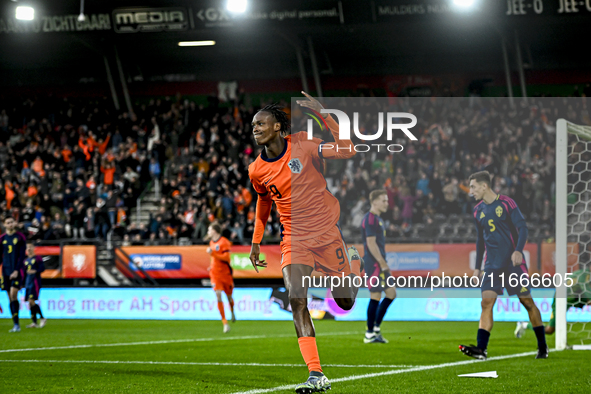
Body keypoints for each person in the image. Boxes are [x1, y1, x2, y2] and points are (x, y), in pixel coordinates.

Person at [248, 92, 363, 393]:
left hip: (326, 234)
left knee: (345, 301)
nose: (255, 128)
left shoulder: (303, 144)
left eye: (261, 123)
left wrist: (324, 113)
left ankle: (354, 263)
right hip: (294, 238)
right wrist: (256, 241)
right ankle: (316, 373)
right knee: (297, 299)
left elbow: (347, 149)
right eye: (253, 125)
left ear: (277, 127)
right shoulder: (256, 170)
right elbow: (263, 204)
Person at [459, 171, 548, 360]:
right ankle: (481, 350)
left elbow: (522, 227)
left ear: (484, 186)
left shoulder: (507, 203)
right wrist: (477, 267)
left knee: (527, 302)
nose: (471, 191)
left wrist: (518, 250)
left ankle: (542, 346)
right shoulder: (477, 211)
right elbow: (480, 241)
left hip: (512, 264)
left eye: (473, 187)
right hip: (491, 265)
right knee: (486, 303)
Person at [515, 264, 591, 338]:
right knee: (549, 330)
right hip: (560, 300)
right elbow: (588, 294)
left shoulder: (587, 275)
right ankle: (524, 324)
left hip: (575, 299)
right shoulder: (584, 275)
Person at [362, 189, 396, 344]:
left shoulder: (378, 219)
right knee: (375, 295)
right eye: (384, 200)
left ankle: (375, 329)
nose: (387, 203)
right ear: (374, 201)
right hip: (374, 263)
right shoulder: (369, 219)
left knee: (391, 294)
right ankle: (369, 333)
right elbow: (371, 243)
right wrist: (382, 262)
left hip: (379, 262)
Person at [206, 223, 235, 333]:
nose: (208, 231)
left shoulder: (224, 242)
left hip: (225, 274)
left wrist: (213, 253)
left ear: (215, 231)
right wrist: (211, 266)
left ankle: (232, 310)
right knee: (218, 295)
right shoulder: (211, 242)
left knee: (229, 297)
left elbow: (227, 258)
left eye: (209, 229)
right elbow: (214, 259)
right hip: (215, 274)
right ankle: (225, 323)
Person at [0, 216, 27, 332]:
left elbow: (22, 256)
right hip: (5, 270)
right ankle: (16, 323)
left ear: (14, 223)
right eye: (8, 222)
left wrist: (16, 270)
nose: (10, 224)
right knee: (9, 298)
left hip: (16, 270)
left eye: (12, 222)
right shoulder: (2, 238)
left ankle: (16, 324)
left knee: (13, 293)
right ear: (5, 225)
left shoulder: (20, 237)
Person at [24, 242, 46, 328]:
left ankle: (42, 317)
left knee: (31, 300)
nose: (28, 249)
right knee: (30, 303)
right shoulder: (25, 260)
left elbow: (42, 268)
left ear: (33, 248)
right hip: (27, 282)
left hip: (35, 282)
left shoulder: (37, 258)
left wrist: (36, 271)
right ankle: (34, 322)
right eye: (27, 247)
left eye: (30, 247)